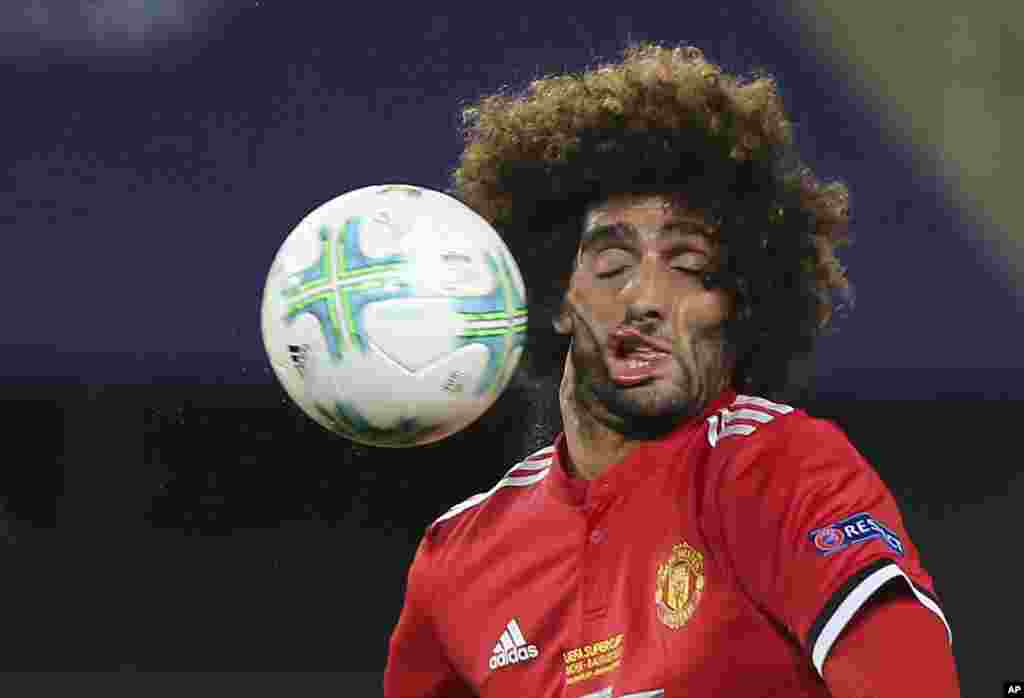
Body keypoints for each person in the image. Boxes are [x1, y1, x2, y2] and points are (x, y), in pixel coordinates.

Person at [384, 44, 960, 697]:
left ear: (739, 305)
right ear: (553, 299)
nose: (648, 299)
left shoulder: (781, 470)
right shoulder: (456, 559)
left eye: (689, 268)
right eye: (611, 266)